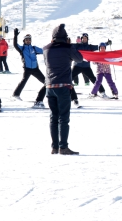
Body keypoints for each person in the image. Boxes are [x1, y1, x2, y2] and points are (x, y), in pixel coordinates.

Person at [43, 24, 84, 155]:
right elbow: (79, 59)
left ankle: (54, 147)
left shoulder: (46, 49)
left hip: (49, 86)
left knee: (53, 117)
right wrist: (70, 46)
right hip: (63, 87)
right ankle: (63, 147)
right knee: (63, 118)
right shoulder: (68, 48)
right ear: (65, 37)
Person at [12, 28, 47, 108]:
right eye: (26, 40)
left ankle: (50, 94)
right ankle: (16, 94)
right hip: (27, 69)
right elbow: (15, 45)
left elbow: (44, 51)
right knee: (23, 81)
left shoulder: (34, 48)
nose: (28, 41)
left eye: (29, 40)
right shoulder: (22, 49)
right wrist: (15, 36)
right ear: (24, 41)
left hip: (35, 69)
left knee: (46, 82)